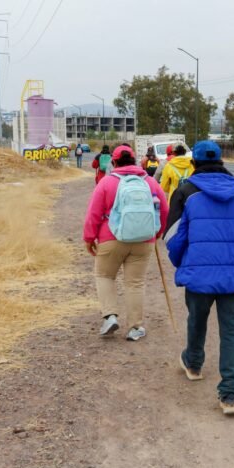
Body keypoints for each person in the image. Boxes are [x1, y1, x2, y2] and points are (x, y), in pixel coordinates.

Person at [164, 140, 234, 415]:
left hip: (199, 272)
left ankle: (194, 364)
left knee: (197, 319)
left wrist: (182, 262)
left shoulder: (186, 191)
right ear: (221, 161)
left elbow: (173, 236)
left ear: (194, 163)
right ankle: (230, 395)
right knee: (231, 331)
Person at [83, 145, 169, 341]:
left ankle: (110, 316)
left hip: (110, 237)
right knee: (135, 283)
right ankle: (135, 327)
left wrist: (89, 238)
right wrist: (157, 232)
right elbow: (164, 210)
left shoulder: (106, 183)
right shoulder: (150, 182)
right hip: (143, 240)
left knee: (104, 276)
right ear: (135, 161)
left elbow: (93, 214)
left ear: (114, 162)